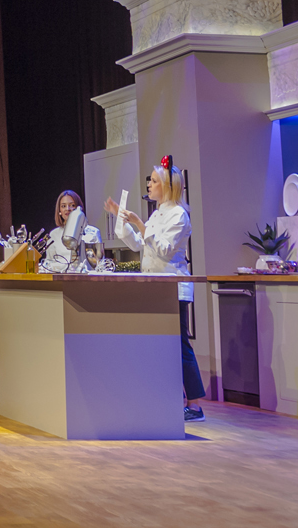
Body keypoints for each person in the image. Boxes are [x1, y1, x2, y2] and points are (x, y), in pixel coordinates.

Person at [109, 158, 205, 421]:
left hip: (173, 288)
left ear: (167, 186)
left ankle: (195, 405)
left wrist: (141, 224)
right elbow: (142, 245)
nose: (149, 184)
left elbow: (163, 249)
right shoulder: (158, 213)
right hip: (154, 288)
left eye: (153, 180)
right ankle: (166, 398)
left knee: (180, 345)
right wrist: (125, 222)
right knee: (160, 345)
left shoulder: (179, 215)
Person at [39, 190, 99, 273]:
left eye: (72, 205)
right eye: (63, 206)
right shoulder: (54, 235)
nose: (68, 209)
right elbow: (49, 263)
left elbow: (99, 265)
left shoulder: (93, 233)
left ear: (79, 208)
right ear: (59, 211)